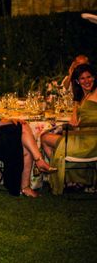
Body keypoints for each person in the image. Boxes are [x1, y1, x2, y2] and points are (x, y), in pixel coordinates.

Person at [43, 63, 97, 194]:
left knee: (44, 138)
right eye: (82, 79)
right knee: (46, 135)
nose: (87, 81)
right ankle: (69, 178)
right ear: (77, 81)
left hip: (90, 143)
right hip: (82, 137)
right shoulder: (83, 96)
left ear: (94, 77)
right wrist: (75, 109)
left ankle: (60, 176)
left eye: (89, 77)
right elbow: (75, 117)